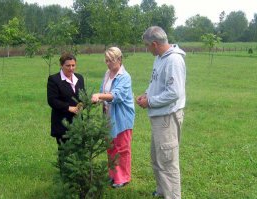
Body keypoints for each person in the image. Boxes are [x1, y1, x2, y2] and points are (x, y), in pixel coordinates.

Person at [136, 26, 186, 199]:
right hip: (158, 116)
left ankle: (173, 196)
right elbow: (155, 81)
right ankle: (163, 190)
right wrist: (146, 94)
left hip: (167, 118)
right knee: (157, 157)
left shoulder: (174, 61)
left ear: (155, 44)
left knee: (168, 160)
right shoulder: (159, 58)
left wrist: (150, 102)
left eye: (147, 45)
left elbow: (174, 92)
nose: (146, 49)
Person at [91, 47, 135, 188]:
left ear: (120, 60)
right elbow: (103, 90)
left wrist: (99, 96)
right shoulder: (107, 73)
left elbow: (117, 95)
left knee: (122, 148)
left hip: (122, 118)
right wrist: (99, 97)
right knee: (110, 147)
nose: (108, 64)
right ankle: (113, 174)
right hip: (108, 116)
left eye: (111, 60)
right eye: (106, 60)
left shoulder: (125, 77)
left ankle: (123, 178)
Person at [47, 53, 85, 145]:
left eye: (73, 65)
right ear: (61, 65)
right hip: (62, 123)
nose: (71, 68)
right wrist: (69, 108)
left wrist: (82, 105)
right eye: (68, 65)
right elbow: (52, 100)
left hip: (77, 121)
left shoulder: (79, 78)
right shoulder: (54, 79)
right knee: (64, 154)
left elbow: (83, 96)